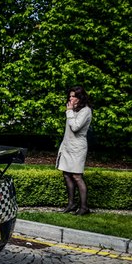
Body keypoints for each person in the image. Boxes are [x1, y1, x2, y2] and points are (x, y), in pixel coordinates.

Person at [56, 86, 92, 215]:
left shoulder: (86, 111)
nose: (71, 99)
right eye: (70, 96)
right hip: (67, 146)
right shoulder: (74, 109)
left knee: (77, 176)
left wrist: (69, 112)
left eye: (74, 96)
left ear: (80, 97)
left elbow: (75, 127)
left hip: (78, 148)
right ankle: (71, 204)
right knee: (66, 174)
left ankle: (84, 207)